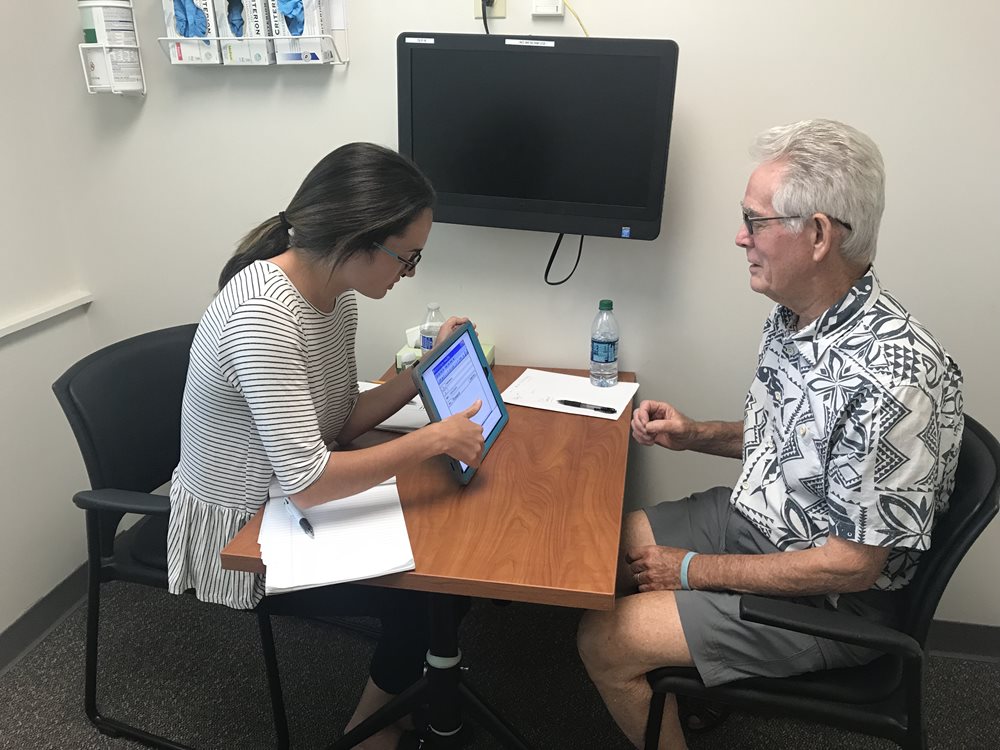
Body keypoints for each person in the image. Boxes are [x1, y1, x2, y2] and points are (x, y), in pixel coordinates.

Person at [577, 119, 964, 749]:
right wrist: (695, 433)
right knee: (590, 550)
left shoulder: (895, 377)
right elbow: (794, 441)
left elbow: (851, 566)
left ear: (816, 235)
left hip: (828, 603)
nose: (740, 237)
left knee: (604, 638)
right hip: (759, 523)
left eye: (755, 222)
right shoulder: (796, 317)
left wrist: (694, 571)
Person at [166, 142, 485, 750]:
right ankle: (373, 726)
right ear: (359, 240)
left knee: (452, 569)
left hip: (290, 498)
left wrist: (422, 373)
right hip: (244, 528)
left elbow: (339, 420)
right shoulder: (264, 313)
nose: (408, 273)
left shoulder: (334, 298)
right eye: (406, 258)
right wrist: (431, 439)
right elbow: (310, 482)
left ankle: (398, 696)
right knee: (428, 594)